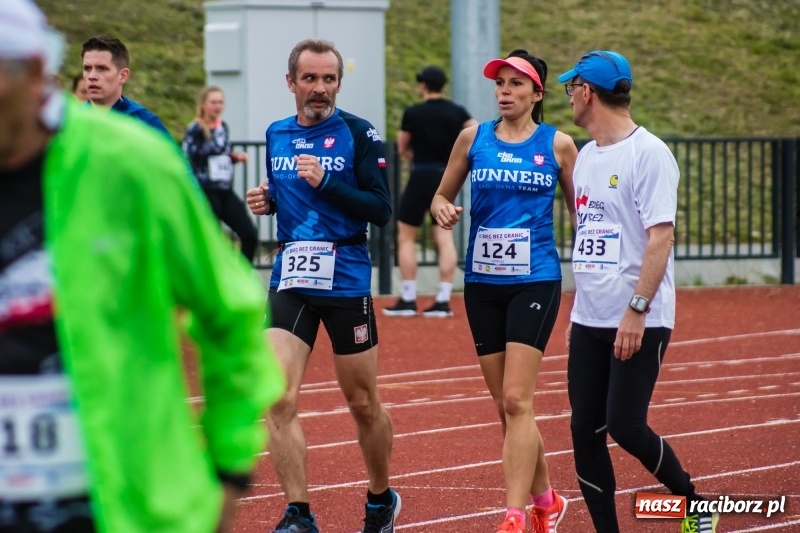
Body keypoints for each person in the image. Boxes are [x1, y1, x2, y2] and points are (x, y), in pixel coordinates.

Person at [0, 1, 286, 531]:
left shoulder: (135, 160)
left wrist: (226, 474)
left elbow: (230, 314)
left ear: (34, 73)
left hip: (123, 507)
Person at [557, 50, 719, 533]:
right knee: (584, 429)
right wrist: (580, 310)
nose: (569, 97)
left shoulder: (649, 153)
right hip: (589, 317)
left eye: (571, 88)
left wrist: (636, 309)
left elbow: (660, 237)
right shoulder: (586, 156)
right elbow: (589, 231)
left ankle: (693, 503)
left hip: (639, 315)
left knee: (625, 426)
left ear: (587, 92)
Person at [245, 38, 400, 533]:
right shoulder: (277, 134)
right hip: (292, 276)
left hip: (346, 276)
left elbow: (380, 209)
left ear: (338, 83)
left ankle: (380, 498)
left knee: (361, 402)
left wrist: (326, 184)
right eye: (309, 79)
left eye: (329, 79)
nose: (320, 89)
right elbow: (291, 195)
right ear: (290, 82)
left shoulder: (360, 133)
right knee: (279, 398)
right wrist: (270, 201)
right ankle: (299, 513)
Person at [431, 49, 577, 533]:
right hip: (483, 283)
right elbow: (441, 195)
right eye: (501, 83)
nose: (505, 92)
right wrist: (441, 210)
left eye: (517, 84)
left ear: (537, 93)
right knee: (507, 407)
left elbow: (585, 216)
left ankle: (515, 516)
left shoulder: (558, 145)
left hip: (534, 279)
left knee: (517, 400)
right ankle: (548, 500)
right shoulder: (474, 138)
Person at [383, 66, 476, 318]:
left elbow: (403, 146)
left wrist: (417, 155)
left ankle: (408, 297)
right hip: (446, 176)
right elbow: (476, 131)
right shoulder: (457, 112)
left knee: (405, 236)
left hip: (421, 174)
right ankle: (443, 299)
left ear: (423, 85)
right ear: (443, 85)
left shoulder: (414, 112)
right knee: (444, 237)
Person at [182, 86, 259, 263]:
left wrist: (235, 157)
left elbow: (223, 154)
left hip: (225, 190)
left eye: (220, 102)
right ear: (203, 104)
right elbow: (189, 159)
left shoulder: (223, 126)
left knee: (249, 234)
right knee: (213, 240)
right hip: (205, 191)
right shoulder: (196, 129)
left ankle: (241, 274)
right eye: (213, 102)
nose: (217, 106)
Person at [81, 34, 170, 135]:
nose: (92, 76)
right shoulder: (67, 123)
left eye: (102, 68)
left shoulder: (145, 124)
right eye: (87, 68)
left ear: (123, 76)